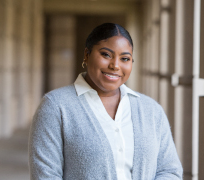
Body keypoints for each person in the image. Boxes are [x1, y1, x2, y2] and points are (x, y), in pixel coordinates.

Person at [28, 23, 183, 180]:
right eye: (106, 55)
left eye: (125, 58)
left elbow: (170, 170)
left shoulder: (151, 110)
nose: (115, 65)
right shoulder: (56, 107)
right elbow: (45, 175)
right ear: (86, 55)